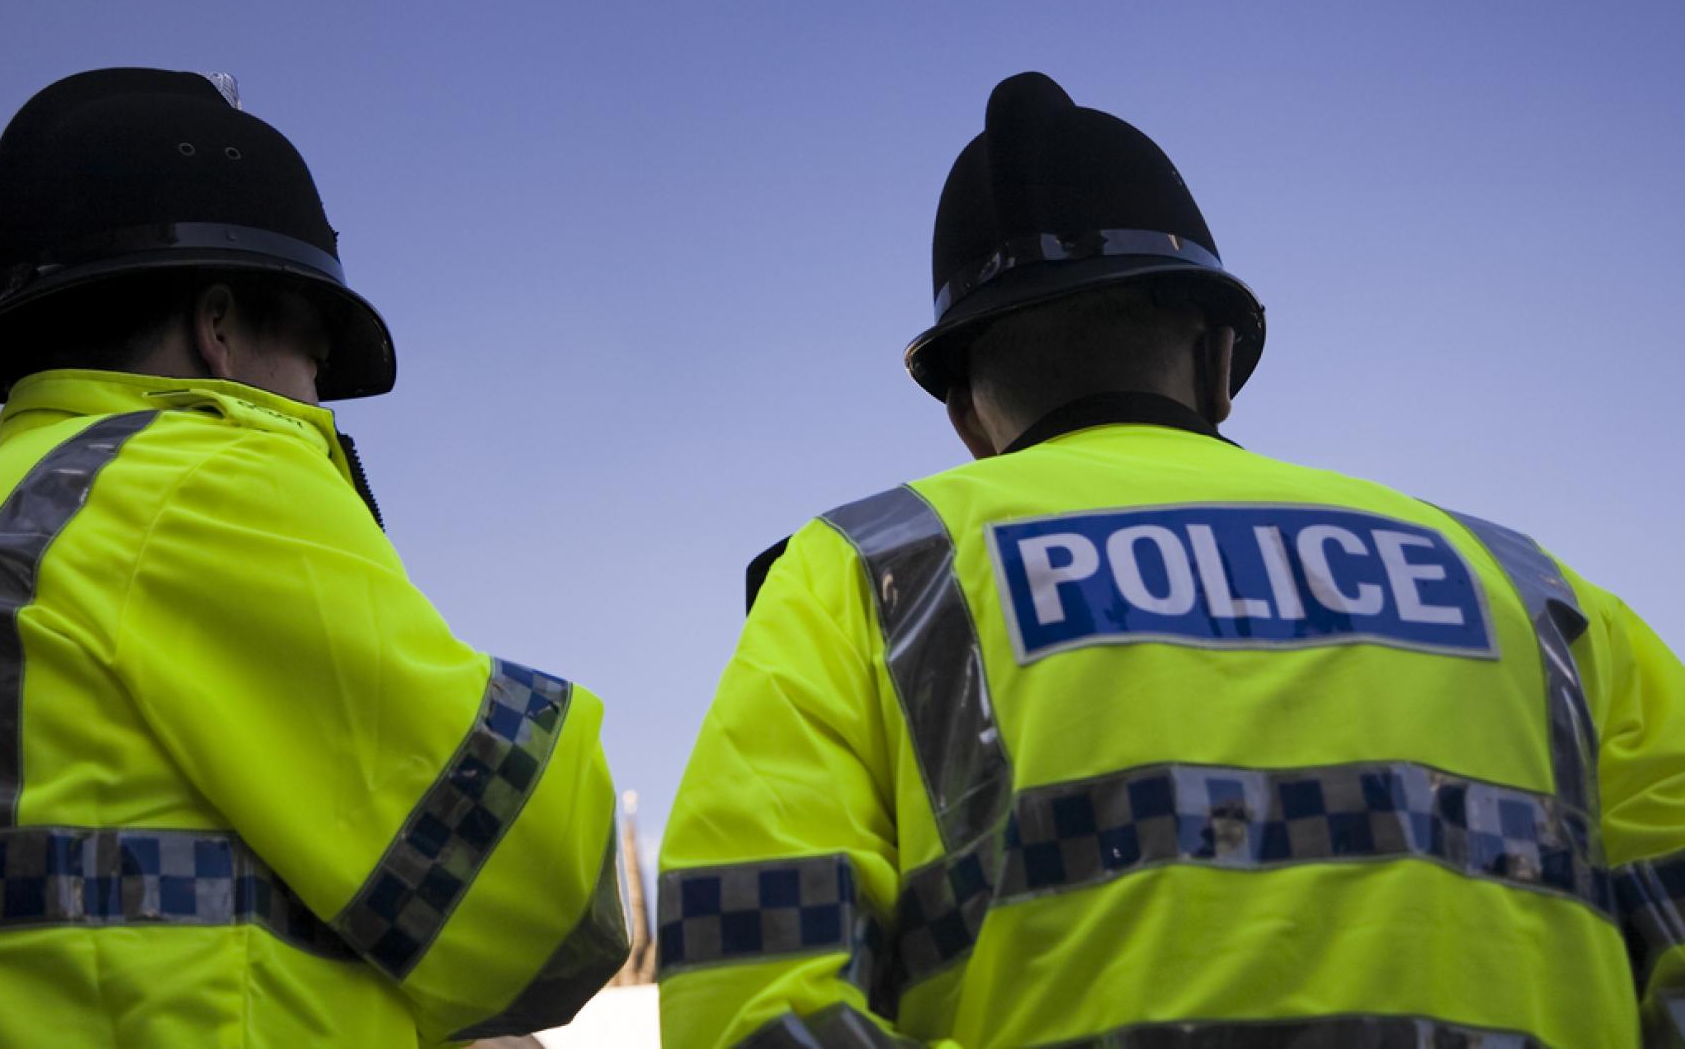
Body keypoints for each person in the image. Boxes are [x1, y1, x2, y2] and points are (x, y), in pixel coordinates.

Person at [657, 71, 1685, 1048]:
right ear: (1219, 358)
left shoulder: (866, 573)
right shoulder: (1533, 590)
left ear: (966, 411)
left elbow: (751, 993)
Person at [0, 69, 628, 1046]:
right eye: (314, 363)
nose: (318, 404)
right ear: (220, 329)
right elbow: (542, 896)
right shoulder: (191, 483)